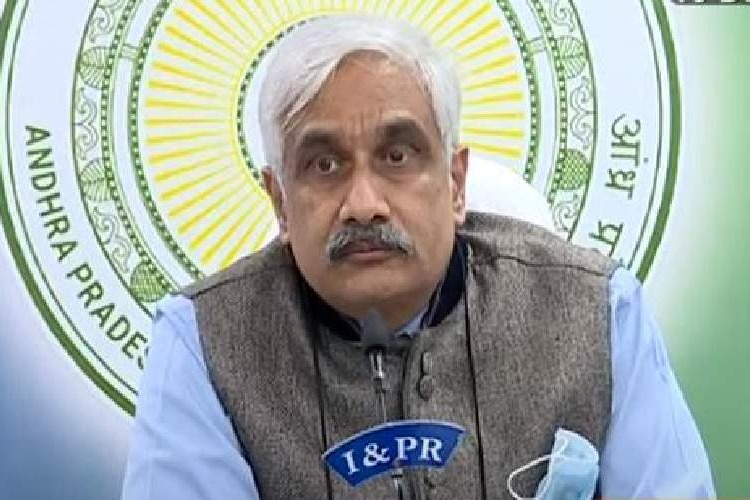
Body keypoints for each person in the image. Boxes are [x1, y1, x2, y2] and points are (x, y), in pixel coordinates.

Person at [121, 14, 715, 500]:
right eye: (324, 164)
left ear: (455, 184)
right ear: (280, 201)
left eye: (397, 156)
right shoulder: (203, 341)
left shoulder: (598, 309)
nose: (363, 205)